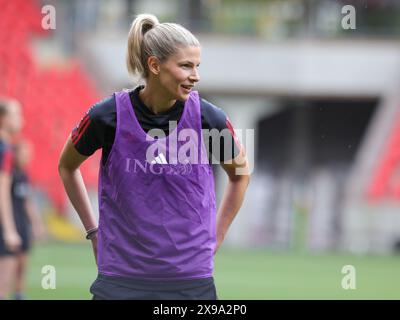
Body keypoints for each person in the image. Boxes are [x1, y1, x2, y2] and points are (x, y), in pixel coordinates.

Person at [58, 13, 250, 300]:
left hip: (190, 280)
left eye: (197, 66)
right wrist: (92, 231)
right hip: (121, 277)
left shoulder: (209, 118)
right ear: (154, 65)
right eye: (186, 66)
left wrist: (216, 236)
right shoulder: (106, 116)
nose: (195, 75)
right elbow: (67, 167)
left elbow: (240, 175)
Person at [11, 140, 45, 300]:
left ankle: (19, 293)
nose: (27, 157)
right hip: (10, 224)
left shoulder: (23, 175)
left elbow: (27, 201)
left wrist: (36, 223)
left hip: (22, 224)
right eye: (24, 153)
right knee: (9, 262)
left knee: (23, 261)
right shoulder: (8, 175)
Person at [0, 98, 23, 299]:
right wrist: (9, 230)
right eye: (16, 114)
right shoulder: (4, 149)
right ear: (3, 119)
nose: (20, 119)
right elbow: (2, 190)